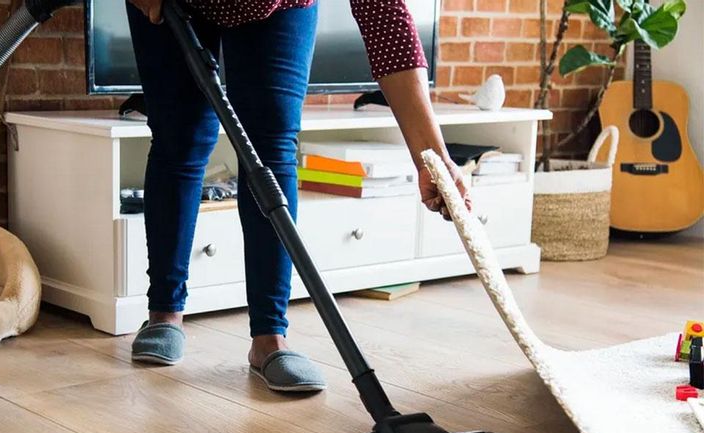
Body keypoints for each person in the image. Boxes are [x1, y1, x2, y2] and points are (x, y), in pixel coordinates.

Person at [126, 0, 471, 392]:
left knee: (271, 149)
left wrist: (432, 157)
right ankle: (165, 313)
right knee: (180, 139)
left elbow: (387, 22)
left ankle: (270, 337)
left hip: (279, 8)